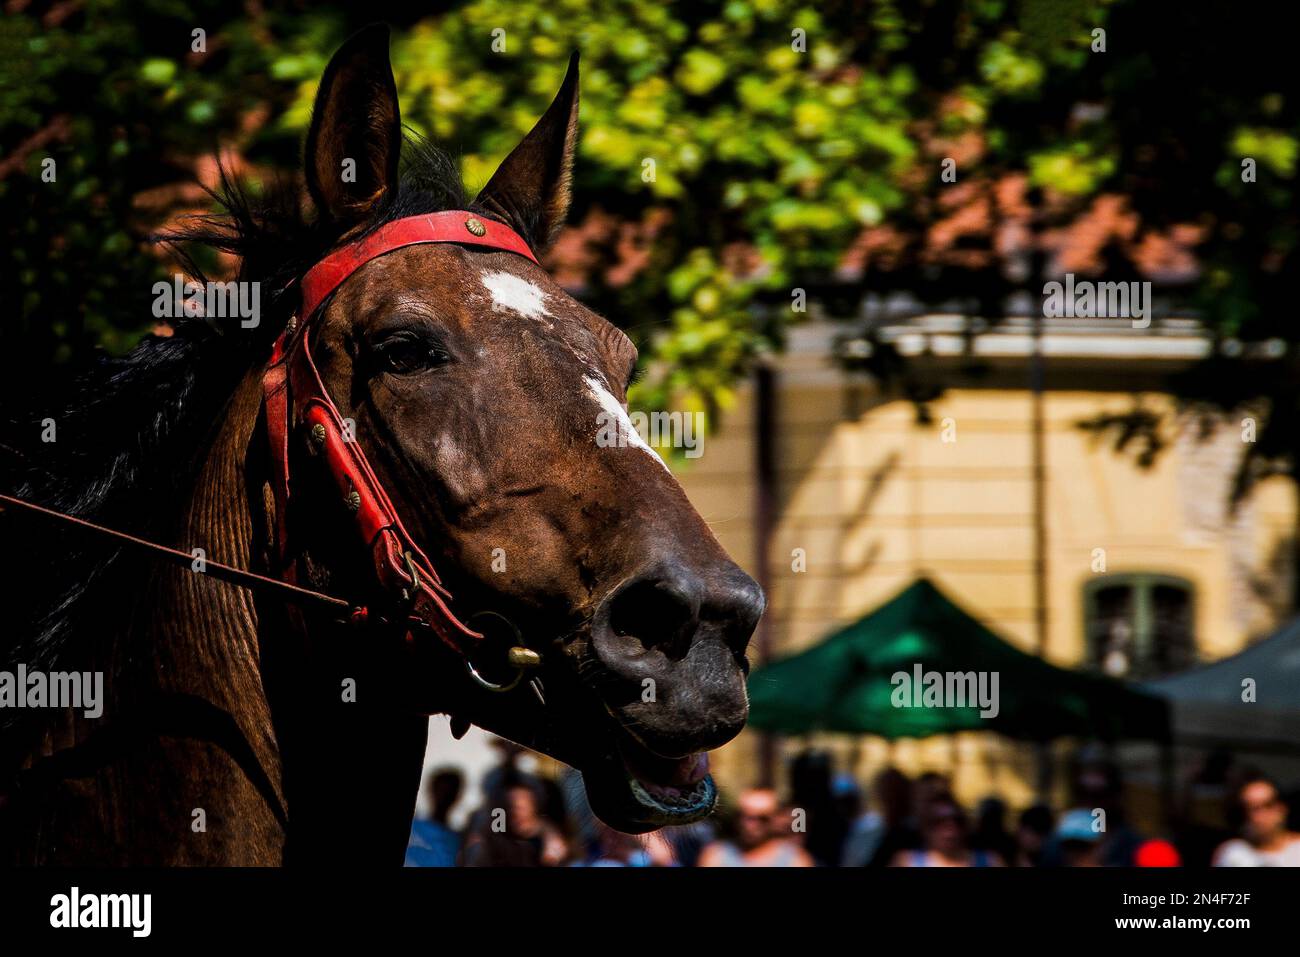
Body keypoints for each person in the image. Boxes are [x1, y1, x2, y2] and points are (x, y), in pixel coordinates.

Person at [698, 788, 815, 866]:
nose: (750, 825)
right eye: (744, 816)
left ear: (777, 820)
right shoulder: (715, 855)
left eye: (762, 818)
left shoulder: (795, 859)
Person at [461, 782, 568, 867]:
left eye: (523, 806)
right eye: (511, 805)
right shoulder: (489, 839)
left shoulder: (548, 839)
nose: (516, 812)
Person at [890, 793, 1003, 867]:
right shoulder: (906, 862)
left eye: (957, 820)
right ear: (925, 828)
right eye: (939, 821)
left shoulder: (991, 861)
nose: (950, 829)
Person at [1213, 774, 1300, 867]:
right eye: (1251, 808)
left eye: (1267, 805)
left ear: (1282, 808)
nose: (1259, 816)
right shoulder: (1232, 852)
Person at [404, 767, 464, 867]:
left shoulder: (458, 840)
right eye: (441, 790)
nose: (444, 796)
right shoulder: (414, 828)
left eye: (450, 792)